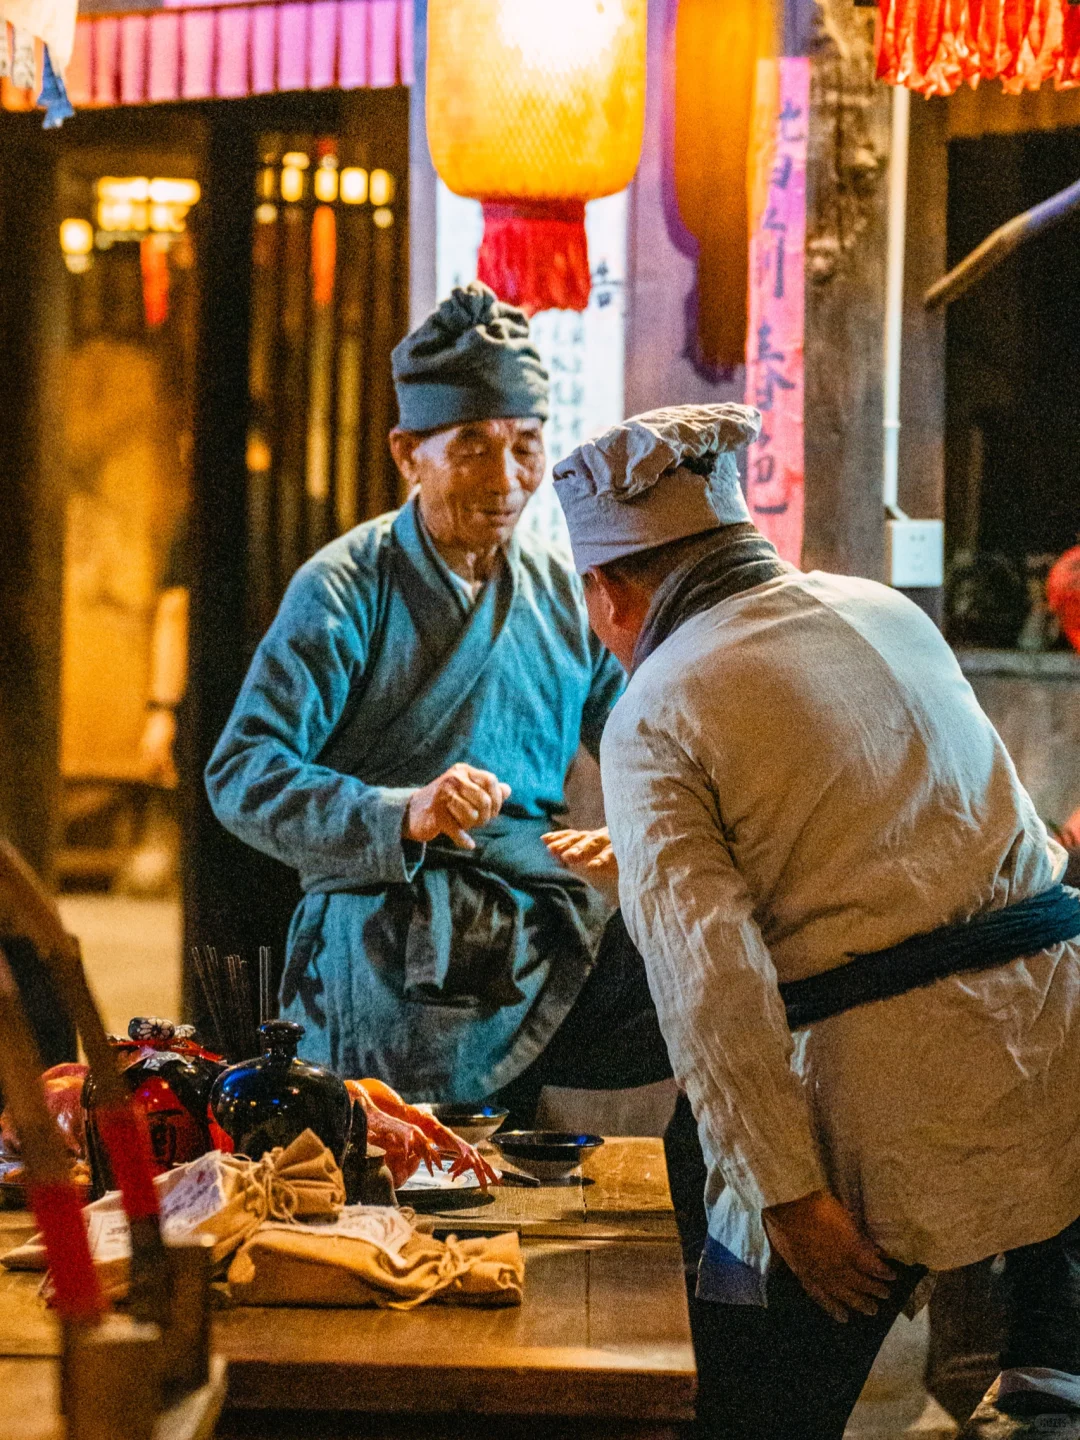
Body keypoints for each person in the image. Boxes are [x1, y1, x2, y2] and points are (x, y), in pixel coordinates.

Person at [552, 403, 1080, 1439]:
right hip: (1051, 1055)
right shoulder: (881, 607)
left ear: (608, 591)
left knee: (750, 1407)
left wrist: (791, 1203)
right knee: (1040, 1376)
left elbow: (711, 987)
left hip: (879, 1099)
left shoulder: (657, 701)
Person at [204, 284, 679, 1127]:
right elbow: (242, 773)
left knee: (719, 966)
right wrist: (403, 812)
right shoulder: (347, 589)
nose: (507, 481)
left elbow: (645, 735)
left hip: (539, 923)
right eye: (472, 449)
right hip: (388, 931)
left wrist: (646, 832)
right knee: (414, 1169)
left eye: (526, 447)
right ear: (406, 453)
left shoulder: (564, 595)